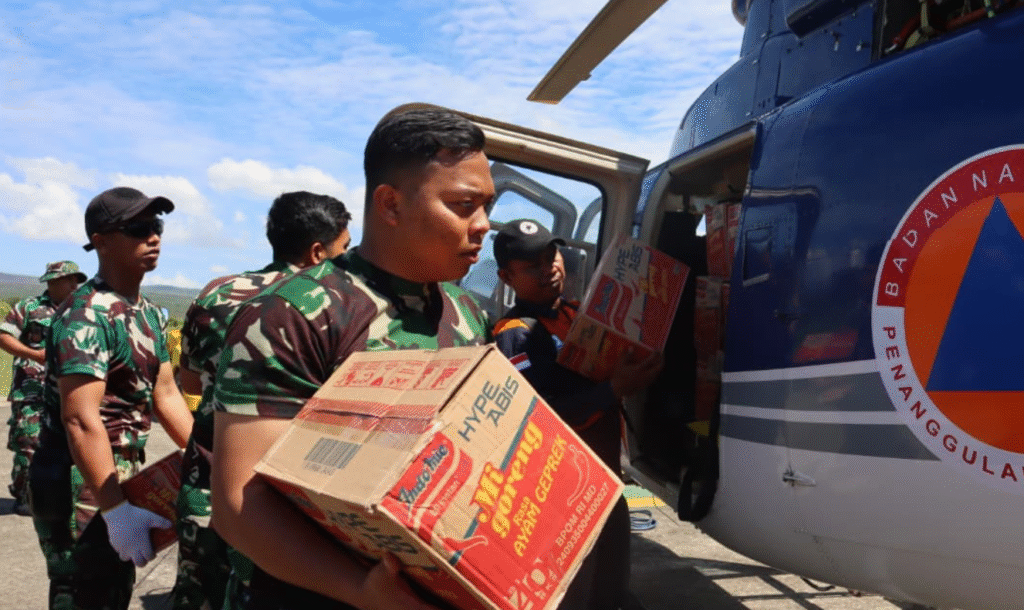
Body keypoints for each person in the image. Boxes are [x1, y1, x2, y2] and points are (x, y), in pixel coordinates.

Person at [210, 105, 494, 610]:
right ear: (390, 204)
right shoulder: (293, 315)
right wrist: (361, 591)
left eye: (486, 206)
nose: (483, 225)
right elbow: (239, 503)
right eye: (463, 205)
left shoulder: (467, 314)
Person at [172, 191, 352, 610]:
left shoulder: (216, 293)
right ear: (317, 252)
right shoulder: (329, 307)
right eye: (343, 249)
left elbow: (190, 382)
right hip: (281, 510)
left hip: (206, 484)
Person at [29, 186, 195, 610]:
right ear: (100, 242)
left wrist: (204, 456)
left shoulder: (149, 313)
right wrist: (115, 509)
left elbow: (166, 393)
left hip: (119, 474)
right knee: (85, 594)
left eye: (156, 226)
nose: (153, 237)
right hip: (80, 479)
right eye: (138, 228)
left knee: (113, 590)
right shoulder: (86, 315)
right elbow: (80, 420)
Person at [491, 219, 663, 610]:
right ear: (506, 277)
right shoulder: (515, 333)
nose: (548, 268)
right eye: (532, 264)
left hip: (607, 477)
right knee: (577, 592)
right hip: (565, 491)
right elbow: (535, 416)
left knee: (612, 585)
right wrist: (613, 390)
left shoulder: (578, 314)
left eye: (550, 255)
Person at [0, 261, 87, 516]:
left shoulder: (82, 311)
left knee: (71, 444)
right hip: (33, 388)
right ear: (52, 282)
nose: (75, 285)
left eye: (77, 280)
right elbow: (3, 336)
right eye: (69, 280)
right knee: (29, 441)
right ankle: (26, 495)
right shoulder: (29, 308)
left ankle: (62, 496)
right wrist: (33, 355)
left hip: (71, 391)